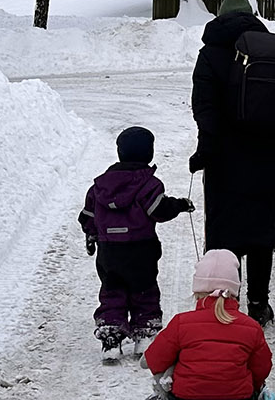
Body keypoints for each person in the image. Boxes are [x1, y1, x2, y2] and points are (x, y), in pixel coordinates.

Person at [188, 0, 275, 325]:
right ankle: (258, 304)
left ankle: (224, 303)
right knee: (260, 235)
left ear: (220, 17)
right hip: (274, 160)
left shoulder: (210, 54)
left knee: (224, 235)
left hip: (227, 161)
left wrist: (205, 151)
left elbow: (205, 109)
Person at [80, 125, 193, 361]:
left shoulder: (100, 186)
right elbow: (159, 210)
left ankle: (111, 336)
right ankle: (144, 335)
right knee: (144, 289)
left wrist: (91, 236)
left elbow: (88, 215)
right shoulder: (148, 184)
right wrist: (180, 204)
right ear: (149, 153)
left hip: (109, 250)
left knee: (112, 290)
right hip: (141, 248)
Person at [141, 249, 272, 400]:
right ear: (234, 291)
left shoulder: (182, 323)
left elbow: (154, 360)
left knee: (170, 364)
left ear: (197, 292)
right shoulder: (251, 327)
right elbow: (262, 368)